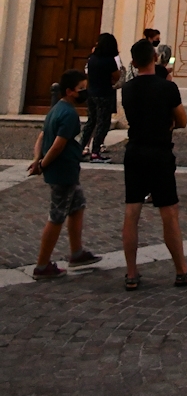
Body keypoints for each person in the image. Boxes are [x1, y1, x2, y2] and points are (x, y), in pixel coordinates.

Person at [121, 38, 187, 289]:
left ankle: (131, 273)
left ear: (134, 63)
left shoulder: (127, 89)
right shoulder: (168, 88)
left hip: (135, 150)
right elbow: (182, 120)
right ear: (155, 58)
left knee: (131, 211)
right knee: (168, 212)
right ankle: (181, 270)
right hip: (159, 152)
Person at [28, 69, 102, 278]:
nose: (84, 92)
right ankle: (42, 266)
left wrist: (37, 161)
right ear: (70, 91)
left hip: (64, 171)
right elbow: (58, 145)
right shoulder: (69, 114)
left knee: (78, 205)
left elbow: (42, 137)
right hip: (62, 172)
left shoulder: (55, 109)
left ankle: (77, 252)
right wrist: (42, 164)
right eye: (81, 89)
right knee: (56, 216)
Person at [80, 32, 120, 162]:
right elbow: (117, 77)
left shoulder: (92, 59)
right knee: (103, 123)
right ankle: (95, 151)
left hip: (92, 93)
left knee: (91, 121)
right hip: (104, 93)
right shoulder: (109, 61)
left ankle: (80, 148)